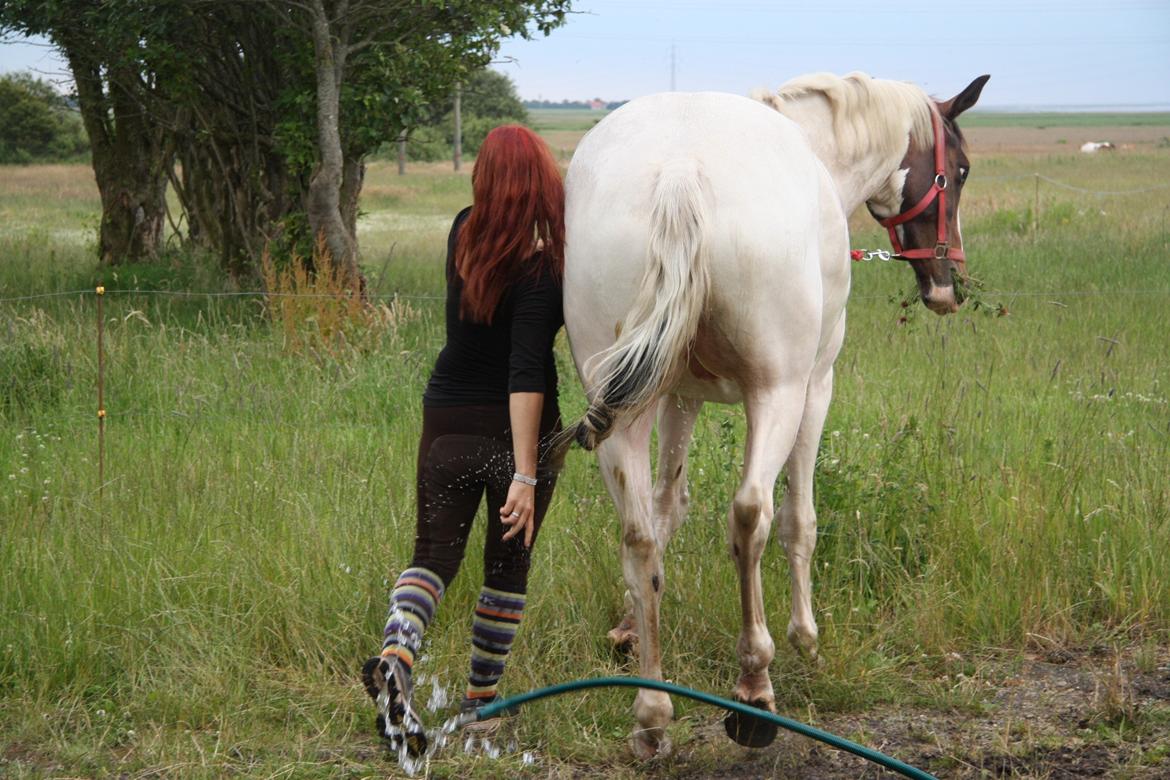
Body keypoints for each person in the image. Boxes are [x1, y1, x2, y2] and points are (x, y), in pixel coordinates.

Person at [362, 125, 566, 756]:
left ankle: (396, 658)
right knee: (506, 568)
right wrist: (525, 475)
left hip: (446, 418)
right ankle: (482, 706)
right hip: (515, 432)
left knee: (431, 557)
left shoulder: (462, 230)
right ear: (541, 179)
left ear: (483, 178)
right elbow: (526, 370)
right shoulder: (544, 262)